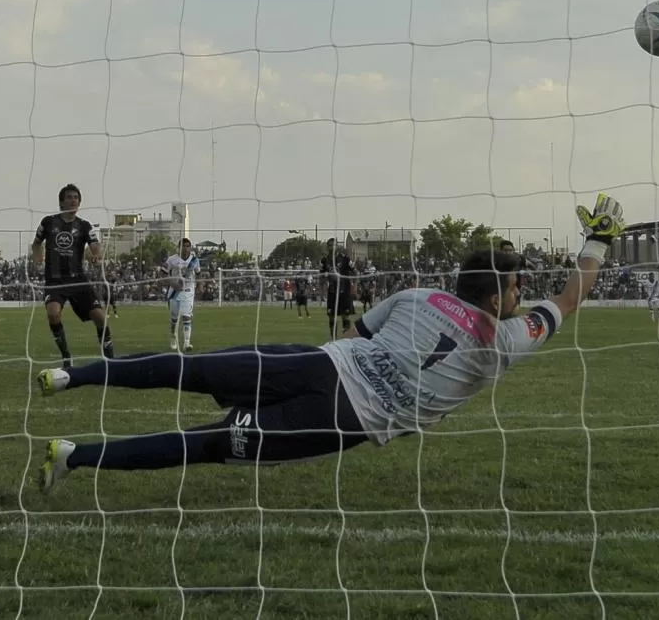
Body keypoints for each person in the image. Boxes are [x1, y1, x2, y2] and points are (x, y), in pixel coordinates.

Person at [34, 194, 625, 494]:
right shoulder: (503, 341)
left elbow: (353, 334)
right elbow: (570, 299)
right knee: (204, 444)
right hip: (339, 416)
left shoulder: (419, 295)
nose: (524, 294)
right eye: (519, 287)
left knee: (190, 369)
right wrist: (596, 243)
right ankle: (76, 455)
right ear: (496, 300)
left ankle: (74, 376)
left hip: (316, 361)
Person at [31, 184, 113, 367]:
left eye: (76, 197)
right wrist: (38, 257)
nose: (73, 200)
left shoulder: (84, 226)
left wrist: (97, 255)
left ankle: (110, 359)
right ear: (61, 202)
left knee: (100, 317)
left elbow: (95, 244)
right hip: (55, 280)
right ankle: (66, 356)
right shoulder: (48, 222)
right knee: (53, 314)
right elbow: (36, 243)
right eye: (69, 197)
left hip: (78, 280)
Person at [164, 238, 200, 351]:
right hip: (175, 292)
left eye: (188, 246)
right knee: (174, 318)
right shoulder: (171, 260)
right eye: (183, 246)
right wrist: (172, 283)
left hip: (188, 291)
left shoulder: (194, 260)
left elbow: (198, 273)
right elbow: (163, 273)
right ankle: (173, 337)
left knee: (186, 316)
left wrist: (199, 285)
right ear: (179, 247)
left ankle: (186, 343)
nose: (186, 248)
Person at [320, 238, 355, 339]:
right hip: (332, 292)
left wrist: (354, 287)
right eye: (330, 245)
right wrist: (322, 291)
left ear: (337, 246)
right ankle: (333, 339)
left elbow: (355, 272)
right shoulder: (324, 260)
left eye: (334, 245)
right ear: (327, 247)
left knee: (345, 316)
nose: (332, 247)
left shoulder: (345, 259)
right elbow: (321, 277)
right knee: (331, 317)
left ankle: (346, 339)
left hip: (344, 292)